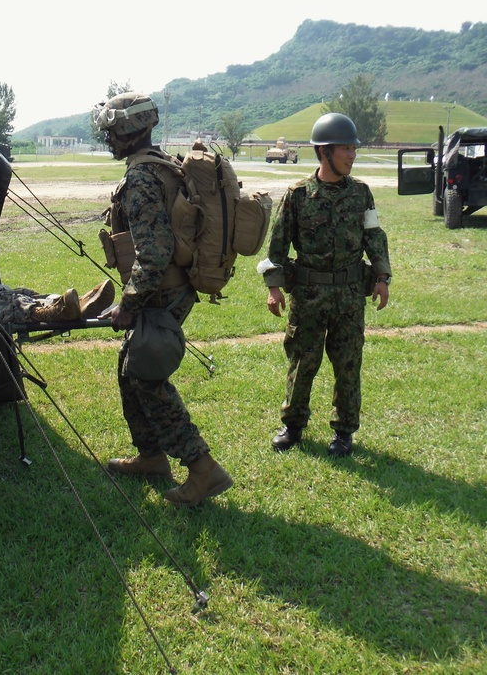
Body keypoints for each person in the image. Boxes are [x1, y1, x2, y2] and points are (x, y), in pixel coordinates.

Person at [93, 91, 232, 507]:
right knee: (130, 369)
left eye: (113, 131)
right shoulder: (162, 165)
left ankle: (203, 468)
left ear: (130, 130)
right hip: (172, 286)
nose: (109, 139)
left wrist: (129, 304)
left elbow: (152, 255)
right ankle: (152, 457)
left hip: (161, 290)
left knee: (147, 378)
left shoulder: (140, 178)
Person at [258, 112, 392, 457]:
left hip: (349, 295)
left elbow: (374, 236)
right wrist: (274, 288)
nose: (352, 155)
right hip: (308, 295)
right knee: (303, 361)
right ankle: (293, 425)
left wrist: (381, 277)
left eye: (353, 149)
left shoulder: (361, 194)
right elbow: (276, 248)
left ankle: (344, 432)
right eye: (345, 148)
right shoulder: (298, 195)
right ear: (324, 152)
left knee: (348, 364)